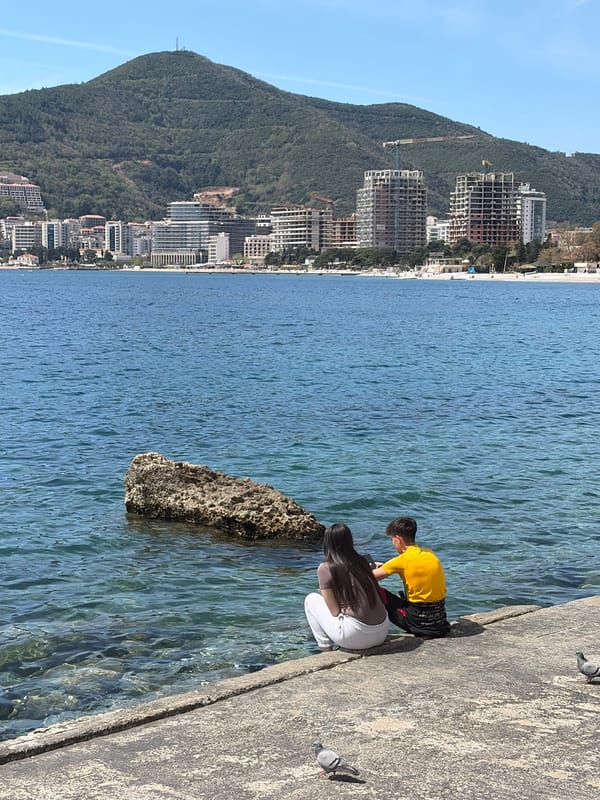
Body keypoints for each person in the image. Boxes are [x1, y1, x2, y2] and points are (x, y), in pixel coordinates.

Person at [304, 523, 389, 652]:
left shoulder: (326, 568)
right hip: (382, 632)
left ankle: (325, 650)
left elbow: (334, 611)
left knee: (311, 600)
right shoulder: (362, 562)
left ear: (327, 543)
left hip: (355, 636)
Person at [372, 517, 450, 638]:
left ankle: (371, 632)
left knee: (375, 590)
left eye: (392, 539)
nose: (393, 543)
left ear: (398, 539)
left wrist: (364, 567)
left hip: (418, 624)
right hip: (439, 622)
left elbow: (367, 578)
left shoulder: (402, 560)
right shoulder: (429, 553)